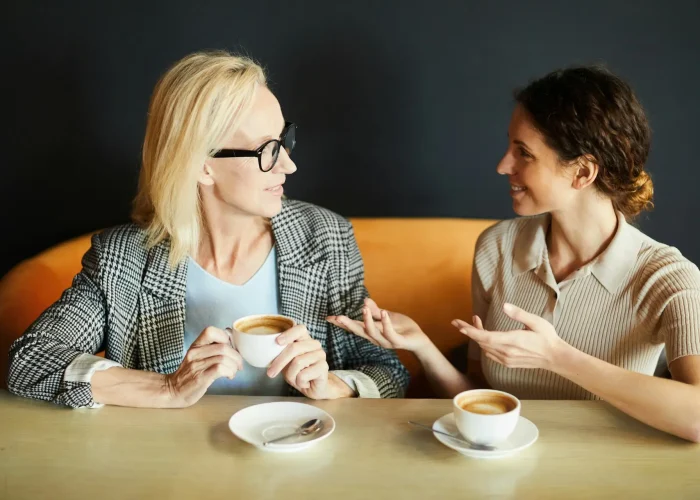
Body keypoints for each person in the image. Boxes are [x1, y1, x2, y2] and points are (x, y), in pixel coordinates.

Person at [8, 51, 408, 408]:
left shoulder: (325, 238)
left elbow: (388, 373)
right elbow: (30, 360)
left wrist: (334, 386)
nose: (288, 165)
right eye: (267, 150)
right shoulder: (121, 260)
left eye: (283, 140)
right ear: (202, 166)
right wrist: (167, 388)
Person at [329, 66, 700, 442]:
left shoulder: (668, 278)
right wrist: (423, 347)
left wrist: (558, 357)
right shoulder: (497, 247)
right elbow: (480, 396)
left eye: (524, 153)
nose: (503, 165)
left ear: (582, 173)